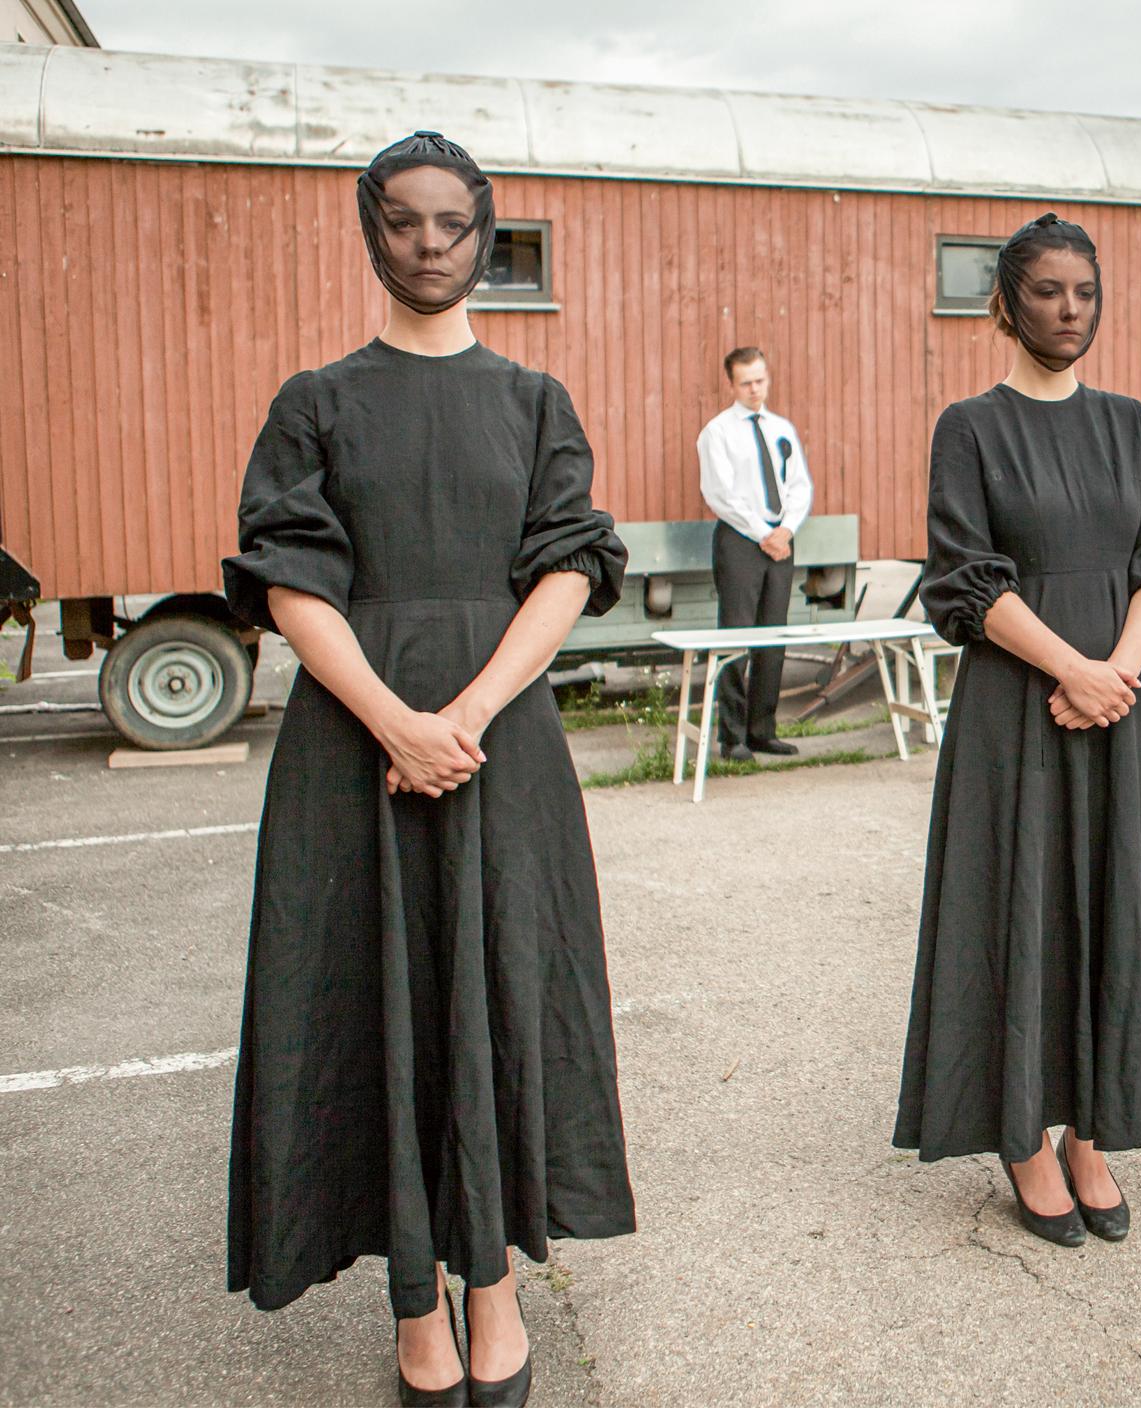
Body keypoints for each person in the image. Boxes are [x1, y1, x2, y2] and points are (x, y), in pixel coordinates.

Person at [222, 131, 634, 1407]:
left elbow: (569, 564)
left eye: (454, 224)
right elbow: (289, 577)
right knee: (376, 1004)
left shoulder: (534, 401)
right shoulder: (316, 401)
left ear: (485, 232)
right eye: (404, 222)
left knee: (502, 993)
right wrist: (395, 721)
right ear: (370, 230)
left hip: (499, 742)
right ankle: (417, 1299)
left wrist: (463, 712)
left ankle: (496, 1281)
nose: (430, 245)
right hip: (354, 748)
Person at [892, 213, 1141, 1246]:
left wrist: (1116, 668)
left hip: (1118, 704)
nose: (1069, 310)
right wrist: (1069, 667)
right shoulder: (971, 427)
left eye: (1084, 292)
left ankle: (1093, 1130)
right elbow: (963, 577)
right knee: (1020, 912)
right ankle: (1023, 1134)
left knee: (1110, 907)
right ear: (1006, 303)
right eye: (1047, 292)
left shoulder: (1130, 424)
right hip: (1016, 710)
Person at [697, 347, 814, 761]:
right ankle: (732, 737)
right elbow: (720, 494)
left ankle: (763, 729)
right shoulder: (718, 433)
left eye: (760, 380)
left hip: (780, 541)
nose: (754, 389)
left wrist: (785, 530)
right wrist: (764, 533)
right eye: (746, 382)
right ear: (731, 383)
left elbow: (798, 485)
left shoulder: (781, 428)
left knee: (773, 637)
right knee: (737, 637)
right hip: (741, 542)